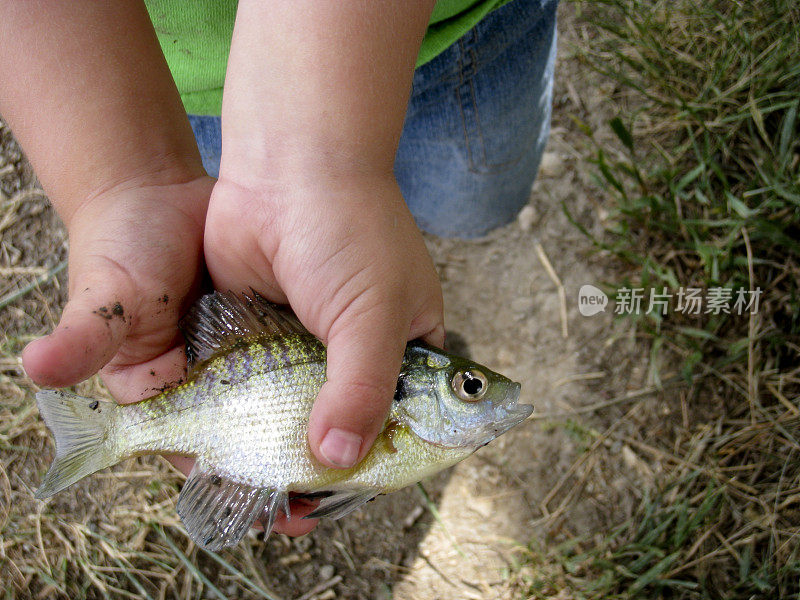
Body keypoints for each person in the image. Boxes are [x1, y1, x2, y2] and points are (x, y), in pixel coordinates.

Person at [0, 0, 556, 536]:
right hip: (179, 92)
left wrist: (318, 171)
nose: (481, 392)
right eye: (470, 387)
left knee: (470, 196)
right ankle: (113, 434)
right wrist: (125, 182)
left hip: (462, 43)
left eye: (472, 385)